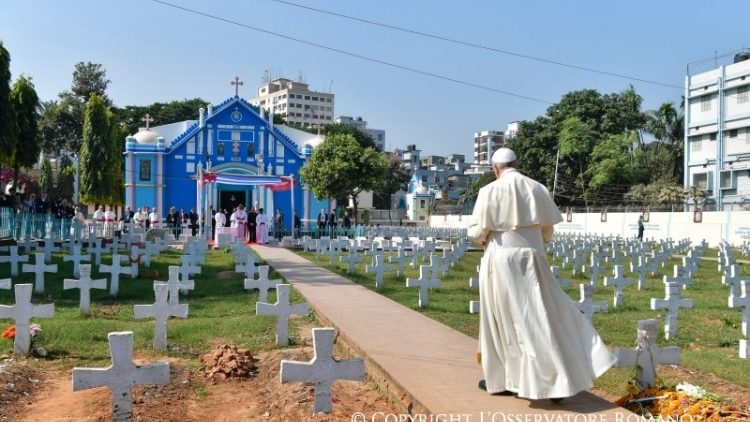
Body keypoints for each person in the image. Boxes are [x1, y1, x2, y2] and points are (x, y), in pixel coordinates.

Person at [468, 148, 615, 402]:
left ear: (495, 168)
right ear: (517, 163)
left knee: (503, 321)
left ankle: (504, 380)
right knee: (542, 318)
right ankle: (556, 379)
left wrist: (486, 238)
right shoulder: (537, 188)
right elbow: (547, 231)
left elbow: (478, 231)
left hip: (501, 261)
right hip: (533, 260)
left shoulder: (488, 191)